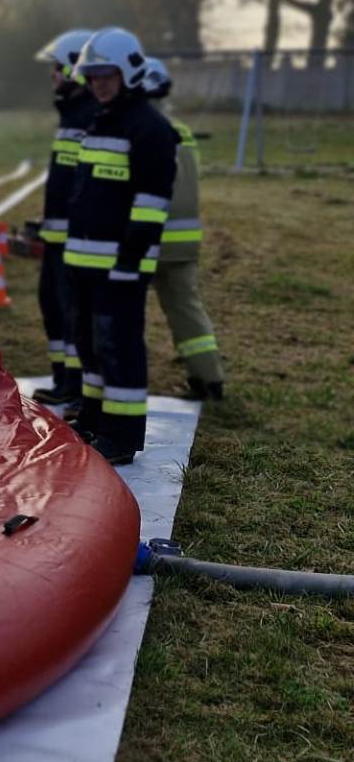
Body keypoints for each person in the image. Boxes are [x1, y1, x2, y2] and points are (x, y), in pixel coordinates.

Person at [63, 28, 178, 466]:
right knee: (90, 346)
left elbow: (151, 204)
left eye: (107, 75)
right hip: (86, 260)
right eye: (93, 76)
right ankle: (93, 419)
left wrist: (130, 261)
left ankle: (122, 435)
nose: (99, 84)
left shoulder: (149, 128)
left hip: (120, 265)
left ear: (128, 73)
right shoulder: (101, 121)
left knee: (120, 349)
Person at [142, 57, 226, 400]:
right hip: (184, 242)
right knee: (187, 310)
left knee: (124, 315)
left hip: (145, 239)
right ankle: (209, 378)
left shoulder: (136, 130)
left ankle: (122, 385)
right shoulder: (184, 132)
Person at [30, 29, 99, 404]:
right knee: (51, 304)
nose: (52, 75)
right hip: (57, 234)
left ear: (75, 68)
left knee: (72, 311)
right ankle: (62, 378)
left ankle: (74, 383)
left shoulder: (88, 115)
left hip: (75, 237)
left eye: (57, 67)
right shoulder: (71, 113)